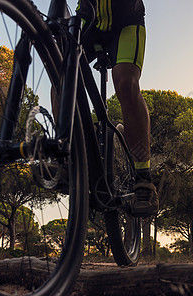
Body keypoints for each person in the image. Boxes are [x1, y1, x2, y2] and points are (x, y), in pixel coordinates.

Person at [79, 0, 158, 217]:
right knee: (63, 76)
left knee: (125, 84)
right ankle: (68, 155)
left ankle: (143, 177)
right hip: (86, 19)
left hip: (127, 22)